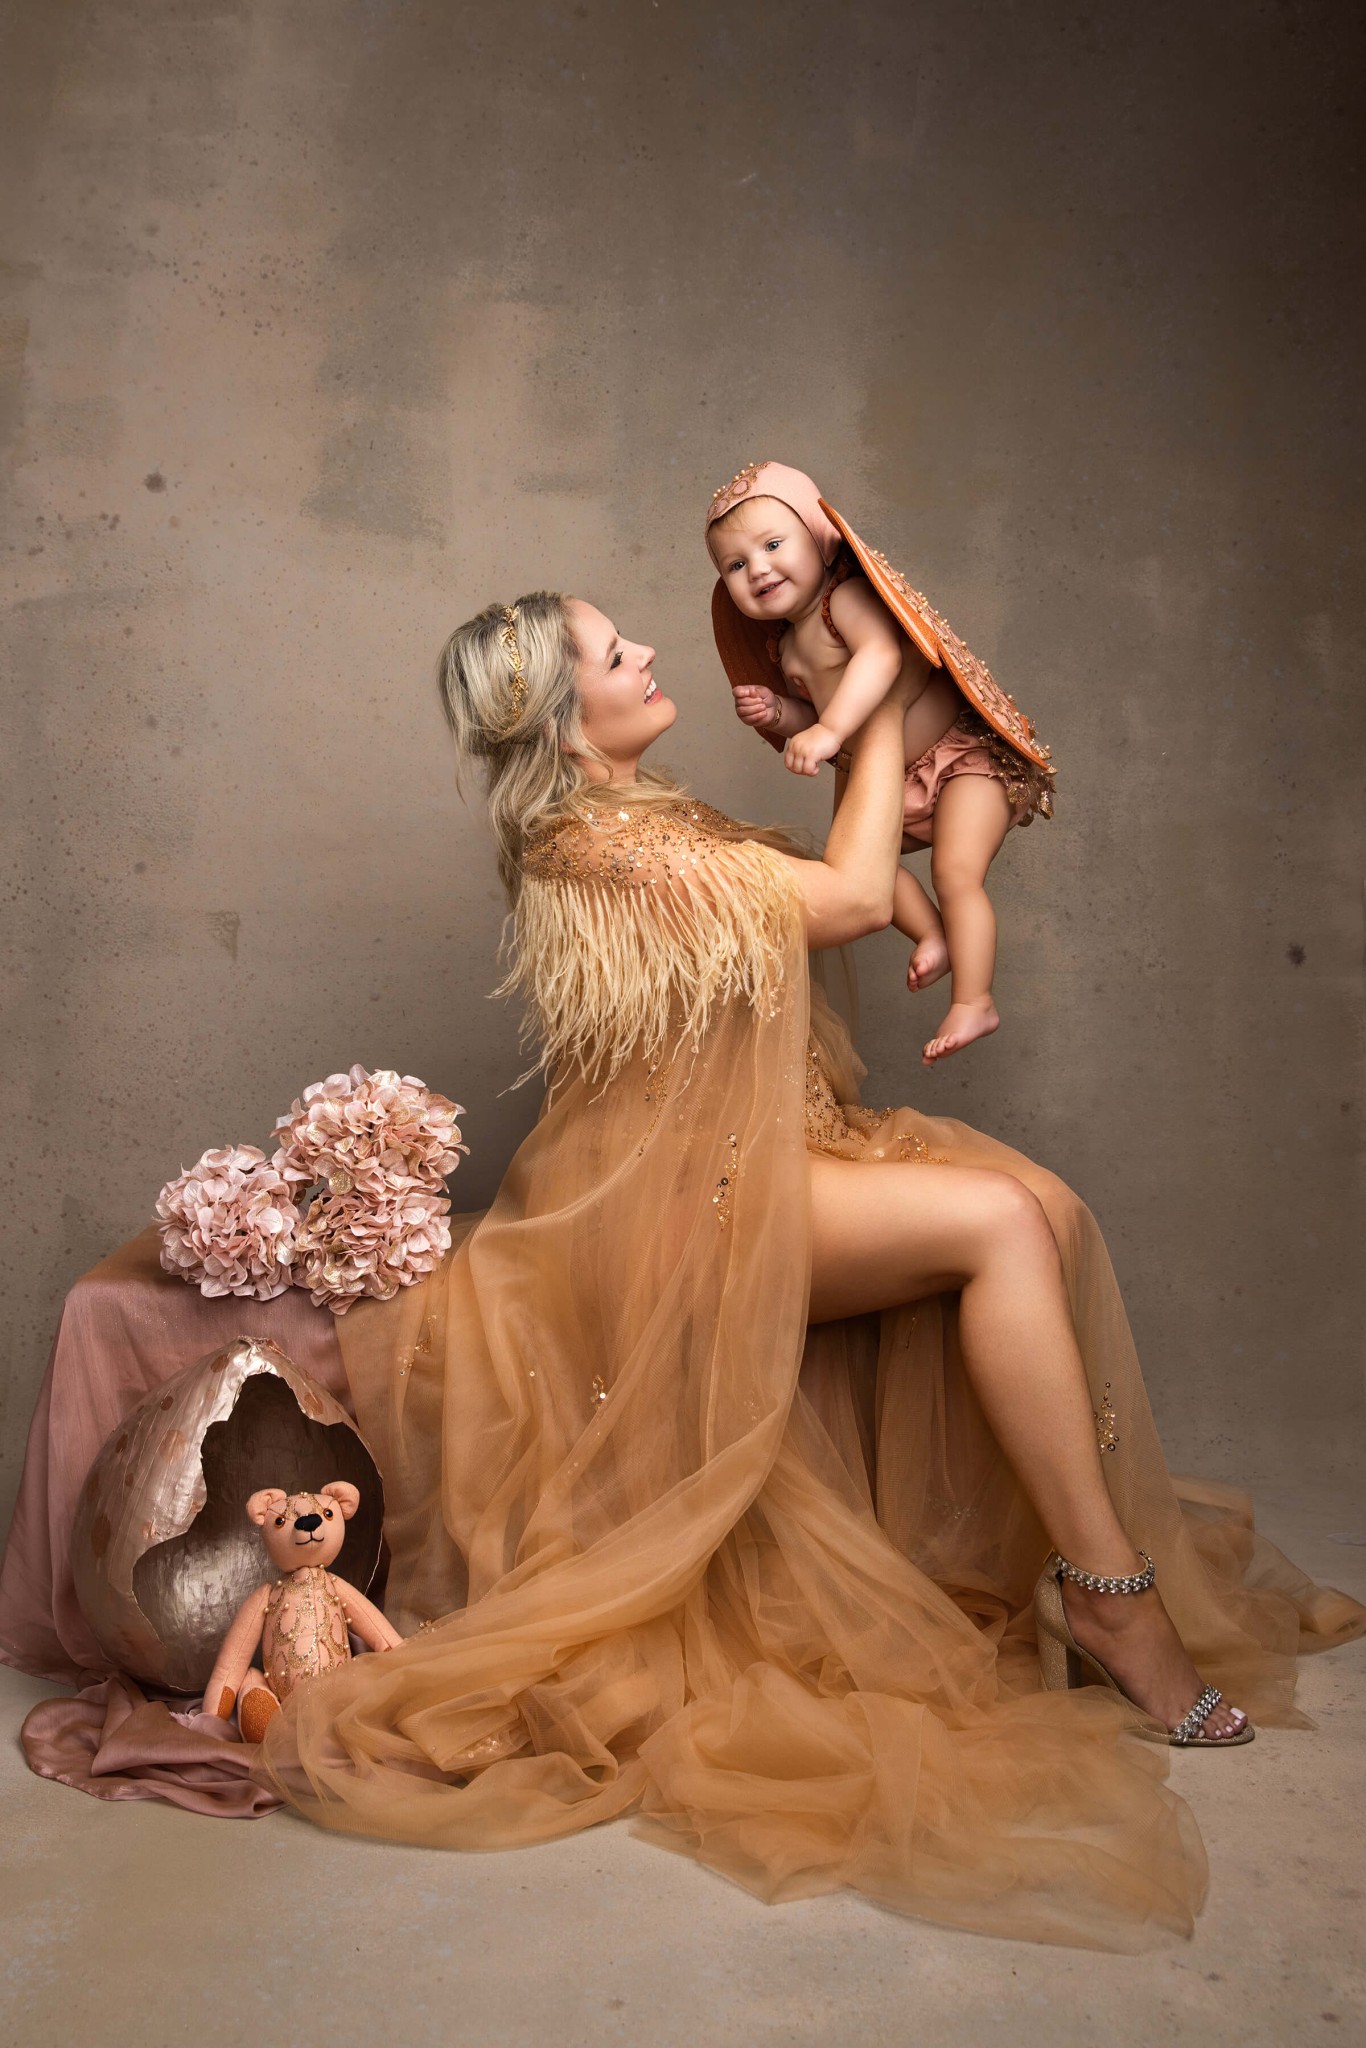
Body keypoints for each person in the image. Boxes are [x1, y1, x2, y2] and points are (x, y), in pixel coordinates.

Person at [256, 589, 1362, 1949]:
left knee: (1042, 1208)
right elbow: (835, 899)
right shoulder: (588, 842)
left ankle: (1070, 1563)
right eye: (613, 654)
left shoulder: (657, 818)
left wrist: (922, 810)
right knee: (999, 1229)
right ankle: (1110, 1598)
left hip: (760, 1157)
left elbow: (860, 879)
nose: (648, 653)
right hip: (663, 1208)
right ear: (559, 714)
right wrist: (878, 678)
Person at [706, 460, 1054, 1065]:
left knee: (954, 872)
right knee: (861, 866)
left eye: (772, 544)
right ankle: (932, 936)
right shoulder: (785, 646)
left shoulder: (847, 600)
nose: (757, 568)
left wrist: (828, 729)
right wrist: (780, 714)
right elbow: (810, 708)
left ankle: (975, 1000)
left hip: (962, 755)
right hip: (892, 773)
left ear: (820, 538)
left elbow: (883, 659)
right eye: (735, 565)